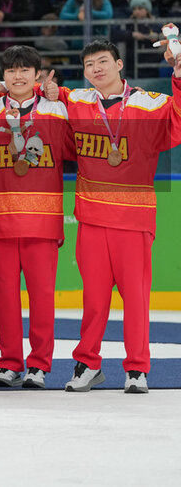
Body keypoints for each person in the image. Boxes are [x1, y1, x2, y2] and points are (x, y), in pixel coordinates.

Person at [53, 39, 181, 393]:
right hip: (92, 219)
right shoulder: (78, 101)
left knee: (136, 300)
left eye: (103, 61)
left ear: (119, 64)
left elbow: (179, 118)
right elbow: (50, 93)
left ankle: (137, 369)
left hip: (133, 220)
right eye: (90, 64)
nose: (96, 68)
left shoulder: (148, 103)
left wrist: (179, 70)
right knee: (93, 301)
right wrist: (23, 85)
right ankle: (87, 364)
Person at [0, 46, 73, 389]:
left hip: (43, 223)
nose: (18, 76)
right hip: (1, 221)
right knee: (5, 298)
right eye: (12, 71)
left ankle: (39, 366)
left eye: (25, 70)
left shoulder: (58, 111)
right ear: (3, 76)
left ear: (38, 75)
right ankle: (9, 364)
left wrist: (65, 94)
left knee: (42, 297)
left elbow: (83, 145)